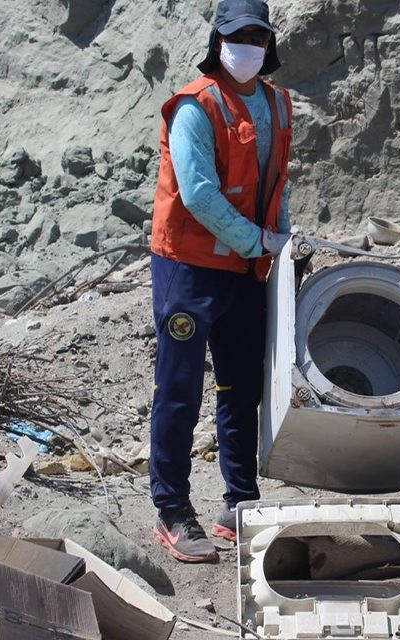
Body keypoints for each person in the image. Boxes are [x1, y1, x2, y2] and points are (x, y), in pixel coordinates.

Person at [148, 0, 294, 563]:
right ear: (218, 41)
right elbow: (199, 194)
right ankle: (172, 507)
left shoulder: (279, 105)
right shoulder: (196, 106)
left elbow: (277, 182)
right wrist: (261, 242)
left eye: (258, 37)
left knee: (240, 386)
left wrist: (283, 242)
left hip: (247, 269)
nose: (248, 48)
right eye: (239, 37)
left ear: (269, 43)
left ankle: (239, 502)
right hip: (189, 267)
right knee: (179, 387)